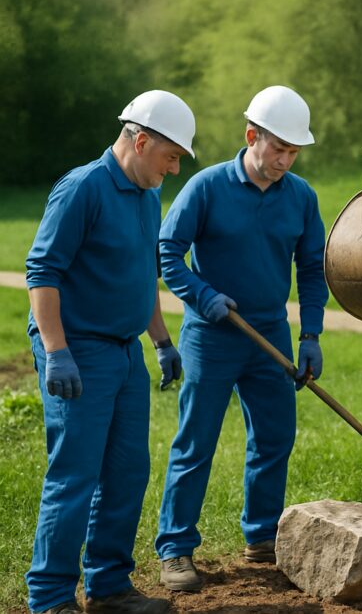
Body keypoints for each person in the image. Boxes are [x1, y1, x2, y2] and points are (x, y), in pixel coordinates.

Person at [24, 90, 195, 614]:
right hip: (77, 350)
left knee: (126, 471)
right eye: (170, 157)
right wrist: (56, 352)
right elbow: (42, 273)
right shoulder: (82, 189)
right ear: (140, 141)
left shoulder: (146, 192)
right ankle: (51, 597)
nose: (172, 169)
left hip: (124, 353)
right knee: (75, 474)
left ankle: (109, 587)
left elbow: (142, 277)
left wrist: (162, 342)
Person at [154, 86, 328, 592]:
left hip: (269, 332)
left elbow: (312, 268)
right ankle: (176, 549)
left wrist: (311, 334)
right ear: (252, 136)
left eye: (294, 151)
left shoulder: (300, 196)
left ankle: (261, 536)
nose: (286, 160)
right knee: (196, 442)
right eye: (278, 148)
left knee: (274, 439)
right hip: (211, 335)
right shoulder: (207, 188)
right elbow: (168, 252)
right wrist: (200, 294)